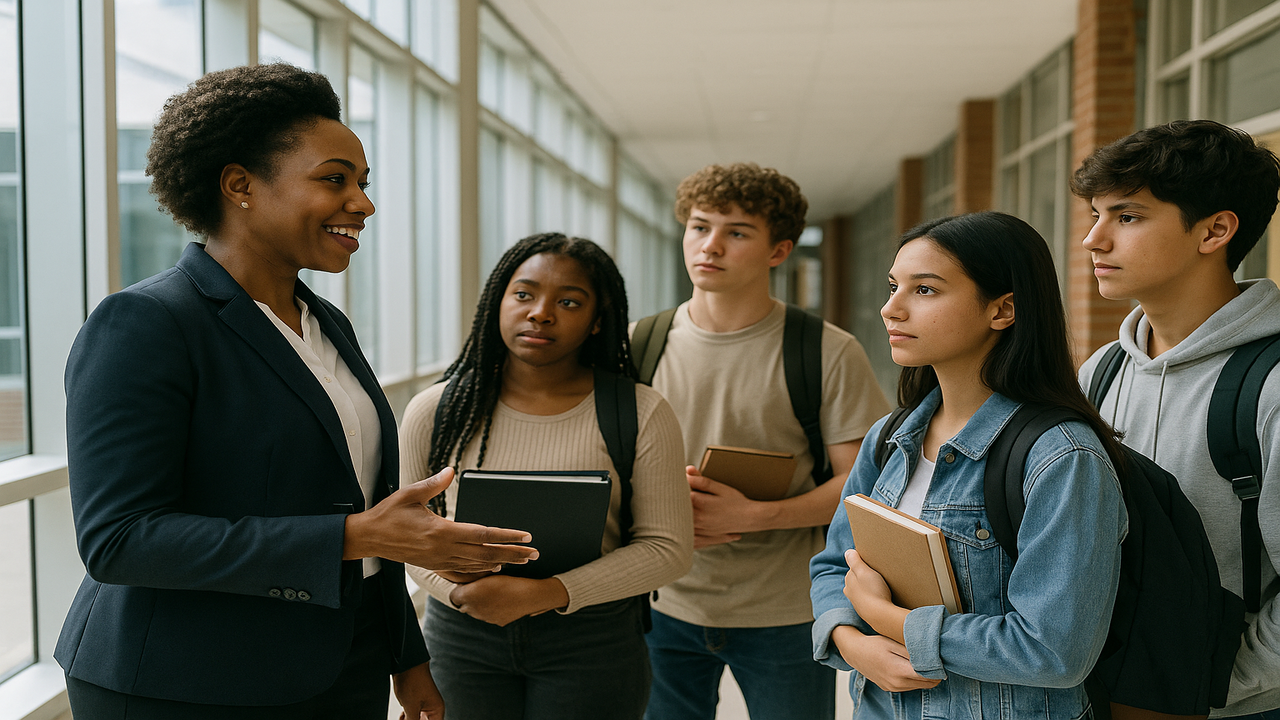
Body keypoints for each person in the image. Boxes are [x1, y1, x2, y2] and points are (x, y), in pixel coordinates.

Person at [55, 63, 537, 720]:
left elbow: (367, 511)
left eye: (362, 184)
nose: (362, 203)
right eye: (333, 179)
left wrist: (405, 654)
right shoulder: (147, 323)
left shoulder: (323, 324)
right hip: (180, 684)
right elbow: (121, 539)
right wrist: (353, 535)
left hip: (339, 669)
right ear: (239, 185)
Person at [809, 212, 1128, 719]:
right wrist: (851, 641)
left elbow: (1053, 651)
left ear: (1003, 310)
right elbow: (833, 563)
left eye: (926, 291)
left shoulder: (1062, 457)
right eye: (894, 286)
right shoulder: (891, 437)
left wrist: (883, 617)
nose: (891, 309)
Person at [400, 233, 693, 720]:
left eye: (569, 301)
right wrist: (459, 593)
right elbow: (408, 537)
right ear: (498, 302)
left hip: (593, 638)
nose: (540, 312)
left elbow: (668, 549)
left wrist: (547, 592)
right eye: (524, 294)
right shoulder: (436, 409)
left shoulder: (640, 411)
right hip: (462, 636)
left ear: (598, 320)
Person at [638, 162, 890, 720]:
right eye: (699, 227)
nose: (710, 246)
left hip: (785, 611)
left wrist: (757, 515)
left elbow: (863, 484)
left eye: (737, 232)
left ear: (778, 251)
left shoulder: (827, 350)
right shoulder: (641, 343)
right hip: (662, 603)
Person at [1072, 119, 1280, 720]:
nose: (1094, 239)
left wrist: (1209, 684)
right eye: (1096, 214)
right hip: (1111, 695)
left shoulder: (1269, 384)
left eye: (1127, 216)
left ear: (1214, 230)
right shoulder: (1103, 371)